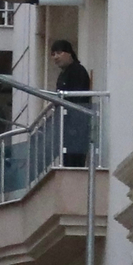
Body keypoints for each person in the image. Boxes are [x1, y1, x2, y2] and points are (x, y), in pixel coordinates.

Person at [50, 38, 94, 168]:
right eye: (53, 54)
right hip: (67, 126)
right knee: (67, 160)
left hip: (77, 125)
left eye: (59, 53)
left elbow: (78, 98)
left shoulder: (77, 71)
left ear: (69, 53)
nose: (56, 57)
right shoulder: (63, 74)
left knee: (74, 162)